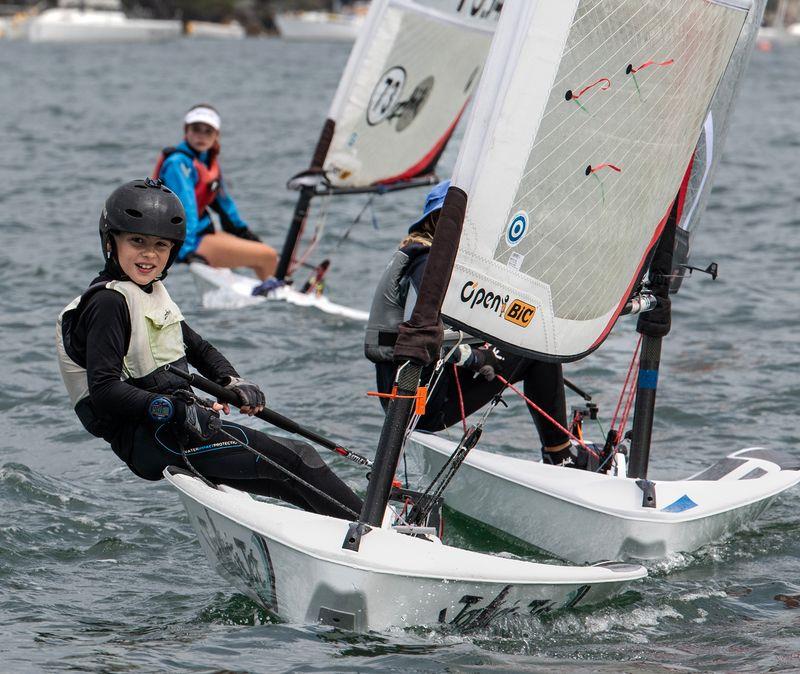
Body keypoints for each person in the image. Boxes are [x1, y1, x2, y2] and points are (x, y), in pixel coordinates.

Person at [57, 178, 362, 519]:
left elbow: (198, 348)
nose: (149, 254)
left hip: (173, 428)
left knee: (287, 477)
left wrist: (232, 381)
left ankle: (351, 533)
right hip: (150, 437)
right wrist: (170, 408)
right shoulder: (108, 302)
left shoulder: (148, 291)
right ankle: (370, 532)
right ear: (111, 242)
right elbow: (104, 390)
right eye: (137, 241)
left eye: (161, 245)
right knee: (297, 459)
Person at [365, 180, 595, 469]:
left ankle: (560, 453)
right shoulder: (428, 263)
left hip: (416, 392)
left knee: (529, 347)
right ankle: (561, 457)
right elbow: (430, 330)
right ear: (444, 222)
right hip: (419, 403)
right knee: (535, 349)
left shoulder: (424, 256)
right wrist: (476, 357)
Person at [153, 104, 279, 284]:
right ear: (186, 131)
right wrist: (186, 252)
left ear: (216, 135)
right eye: (196, 129)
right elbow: (185, 211)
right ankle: (278, 303)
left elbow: (225, 207)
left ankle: (277, 290)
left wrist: (244, 232)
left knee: (264, 250)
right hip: (181, 241)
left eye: (208, 131)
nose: (201, 136)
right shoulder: (178, 164)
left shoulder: (208, 164)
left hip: (199, 234)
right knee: (269, 256)